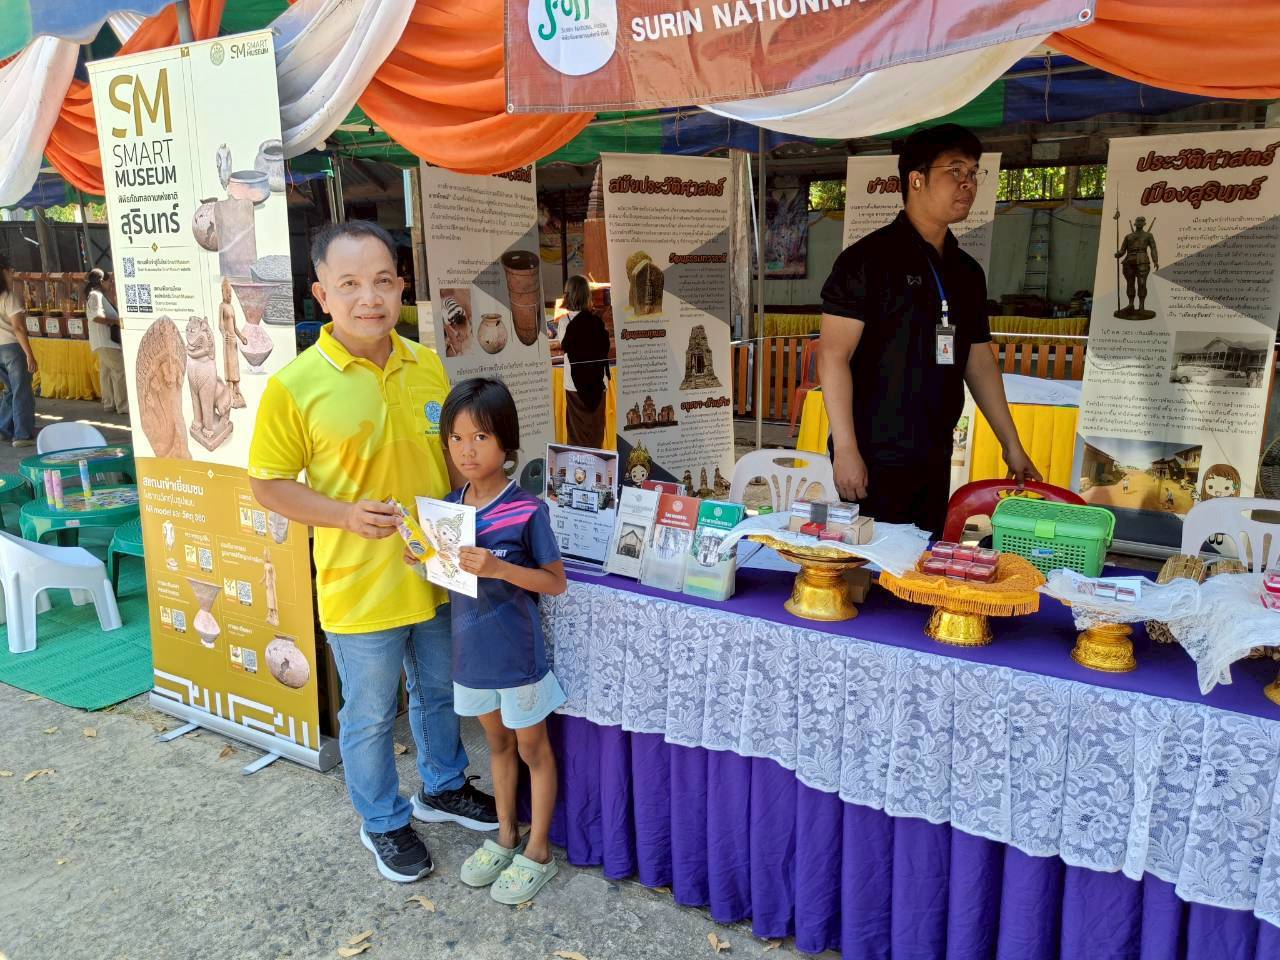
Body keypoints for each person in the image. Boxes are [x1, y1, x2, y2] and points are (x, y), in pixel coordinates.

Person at [248, 221, 496, 885]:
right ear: (321, 295)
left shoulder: (427, 364)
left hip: (436, 570)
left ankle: (443, 786)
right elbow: (267, 484)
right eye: (351, 284)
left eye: (383, 281)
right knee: (369, 714)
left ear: (401, 287)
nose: (370, 298)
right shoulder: (296, 386)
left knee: (440, 692)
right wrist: (344, 516)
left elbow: (449, 456)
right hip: (359, 583)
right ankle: (382, 819)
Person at [818, 124, 1040, 537]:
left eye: (972, 172)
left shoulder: (966, 272)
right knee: (872, 564)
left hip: (935, 450)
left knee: (922, 562)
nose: (967, 183)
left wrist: (1011, 444)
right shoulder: (867, 260)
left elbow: (979, 361)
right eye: (954, 170)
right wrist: (846, 449)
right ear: (916, 180)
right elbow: (833, 356)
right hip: (873, 452)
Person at [422, 377, 567, 905]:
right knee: (498, 745)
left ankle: (539, 849)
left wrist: (501, 568)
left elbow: (554, 582)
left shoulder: (526, 510)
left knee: (532, 748)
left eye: (480, 437)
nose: (467, 450)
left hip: (517, 658)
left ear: (506, 440)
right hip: (471, 656)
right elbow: (447, 577)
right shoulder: (448, 508)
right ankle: (506, 835)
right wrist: (421, 556)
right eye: (456, 439)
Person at [558, 275, 611, 448]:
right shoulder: (597, 321)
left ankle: (577, 464)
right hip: (598, 384)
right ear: (587, 295)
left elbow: (563, 347)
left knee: (576, 434)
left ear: (568, 295)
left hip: (574, 385)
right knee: (596, 431)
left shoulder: (564, 322)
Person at [0, 255, 37, 447]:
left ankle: (4, 429)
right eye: (11, 269)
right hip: (12, 348)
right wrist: (29, 354)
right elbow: (19, 328)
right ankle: (22, 434)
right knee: (22, 390)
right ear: (4, 271)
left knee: (10, 390)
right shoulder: (9, 297)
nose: (13, 273)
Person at [85, 269, 128, 416]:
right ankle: (123, 405)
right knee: (120, 370)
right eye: (110, 281)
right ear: (102, 281)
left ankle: (109, 403)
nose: (111, 284)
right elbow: (96, 317)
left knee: (107, 373)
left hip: (103, 342)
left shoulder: (97, 295)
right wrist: (115, 321)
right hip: (105, 341)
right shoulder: (96, 295)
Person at [1114, 215, 1158, 318]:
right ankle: (1131, 305)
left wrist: (1155, 260)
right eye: (1138, 221)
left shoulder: (1148, 235)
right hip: (1129, 261)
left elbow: (1153, 248)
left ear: (1144, 224)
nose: (1139, 222)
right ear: (1135, 223)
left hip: (1143, 261)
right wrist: (1118, 254)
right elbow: (1122, 250)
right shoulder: (1128, 236)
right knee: (1130, 283)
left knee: (1142, 284)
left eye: (1141, 221)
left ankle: (1141, 306)